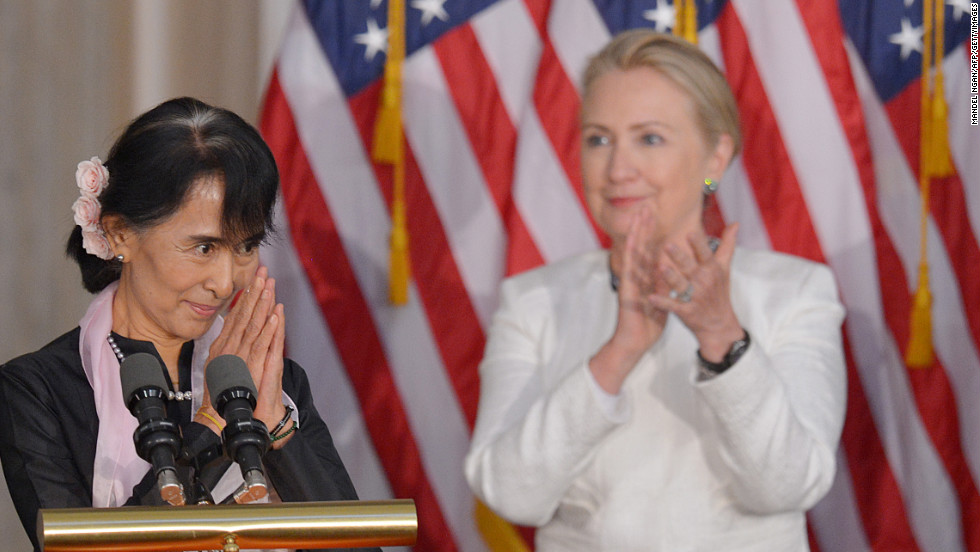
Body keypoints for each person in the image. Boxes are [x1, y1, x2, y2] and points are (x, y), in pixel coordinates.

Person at [464, 29, 846, 551]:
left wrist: (722, 339)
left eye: (649, 138)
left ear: (715, 157)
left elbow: (788, 484)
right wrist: (617, 355)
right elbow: (510, 494)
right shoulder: (531, 302)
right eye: (599, 139)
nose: (618, 170)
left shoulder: (796, 293)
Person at [0, 97, 379, 552]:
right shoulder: (40, 390)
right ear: (121, 233)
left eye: (246, 246)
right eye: (203, 248)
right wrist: (212, 424)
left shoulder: (275, 382)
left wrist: (275, 426)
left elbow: (358, 546)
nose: (224, 284)